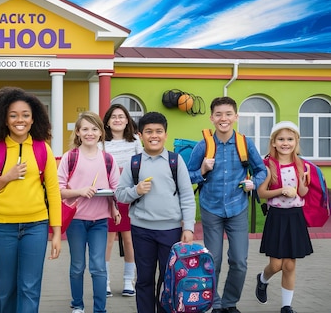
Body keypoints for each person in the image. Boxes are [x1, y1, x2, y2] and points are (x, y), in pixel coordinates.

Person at [0, 86, 62, 313]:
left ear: (34, 119)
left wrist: (56, 232)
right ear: (4, 119)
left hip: (36, 226)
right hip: (3, 228)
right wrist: (5, 178)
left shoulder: (44, 150)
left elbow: (53, 192)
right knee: (7, 288)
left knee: (30, 287)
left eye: (25, 115)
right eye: (13, 115)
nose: (19, 120)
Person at [187, 97, 267, 313]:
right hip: (211, 207)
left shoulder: (245, 143)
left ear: (236, 117)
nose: (224, 118)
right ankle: (214, 303)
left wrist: (254, 183)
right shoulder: (203, 145)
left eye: (228, 114)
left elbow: (262, 170)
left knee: (239, 261)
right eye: (219, 114)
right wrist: (202, 170)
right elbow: (187, 176)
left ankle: (230, 302)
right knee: (213, 260)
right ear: (212, 118)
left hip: (237, 207)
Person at [115, 112, 196, 313]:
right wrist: (136, 191)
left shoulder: (175, 161)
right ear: (140, 135)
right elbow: (120, 195)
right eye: (149, 131)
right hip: (141, 230)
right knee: (144, 278)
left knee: (169, 279)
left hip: (171, 230)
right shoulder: (134, 163)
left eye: (159, 131)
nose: (154, 135)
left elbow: (187, 196)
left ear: (165, 135)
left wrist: (189, 228)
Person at [58, 111, 120, 313]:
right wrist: (80, 191)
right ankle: (77, 305)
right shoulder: (70, 157)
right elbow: (59, 190)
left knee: (98, 267)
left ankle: (100, 309)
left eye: (94, 129)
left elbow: (116, 188)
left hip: (100, 221)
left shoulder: (108, 159)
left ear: (101, 133)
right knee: (77, 266)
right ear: (77, 132)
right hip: (75, 220)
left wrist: (115, 207)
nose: (90, 133)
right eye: (85, 129)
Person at [254, 121, 313, 313]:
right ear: (273, 142)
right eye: (281, 139)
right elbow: (262, 193)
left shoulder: (301, 165)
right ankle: (262, 279)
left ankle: (286, 306)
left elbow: (303, 192)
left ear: (296, 142)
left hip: (295, 217)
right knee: (276, 264)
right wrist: (281, 191)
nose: (285, 143)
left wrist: (303, 183)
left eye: (290, 139)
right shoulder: (268, 165)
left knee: (289, 265)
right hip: (277, 217)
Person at [101, 104, 142, 298]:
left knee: (129, 239)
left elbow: (141, 163)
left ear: (127, 120)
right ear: (107, 122)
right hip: (108, 195)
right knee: (107, 240)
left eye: (121, 116)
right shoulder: (102, 142)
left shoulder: (135, 140)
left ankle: (128, 281)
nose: (118, 120)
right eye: (113, 117)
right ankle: (105, 281)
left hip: (130, 193)